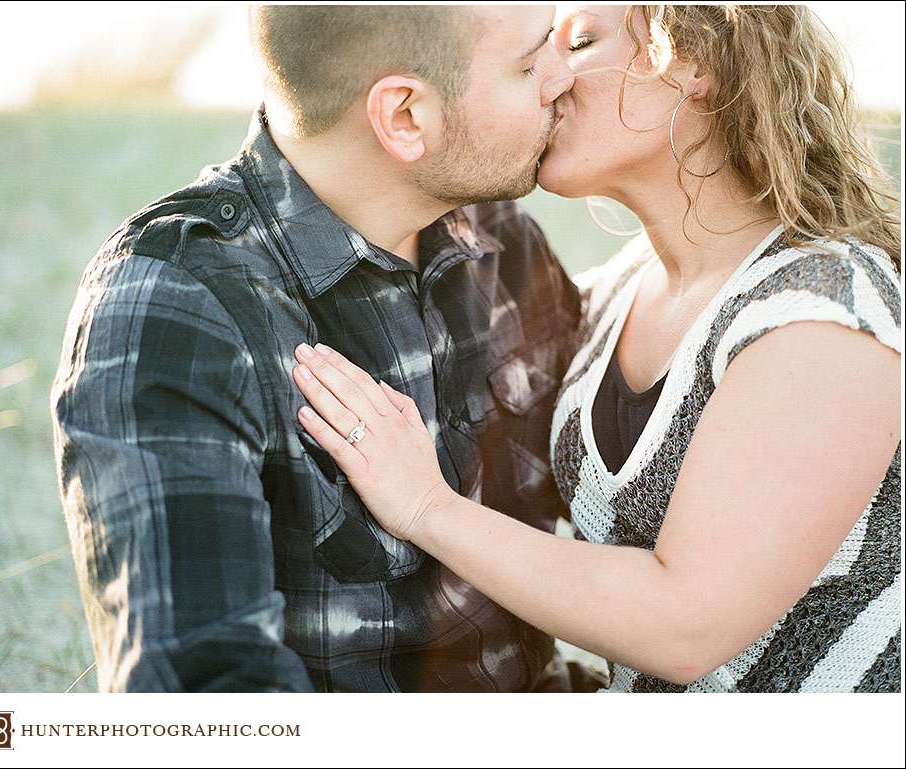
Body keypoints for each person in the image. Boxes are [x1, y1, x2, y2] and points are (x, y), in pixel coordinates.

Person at [291, 4, 902, 692]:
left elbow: (685, 626)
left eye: (580, 42)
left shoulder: (824, 311)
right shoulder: (615, 293)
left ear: (695, 62)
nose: (549, 78)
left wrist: (428, 508)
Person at [50, 5, 597, 692]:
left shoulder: (500, 242)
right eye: (527, 64)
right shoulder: (180, 305)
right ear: (403, 117)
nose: (562, 74)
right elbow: (203, 700)